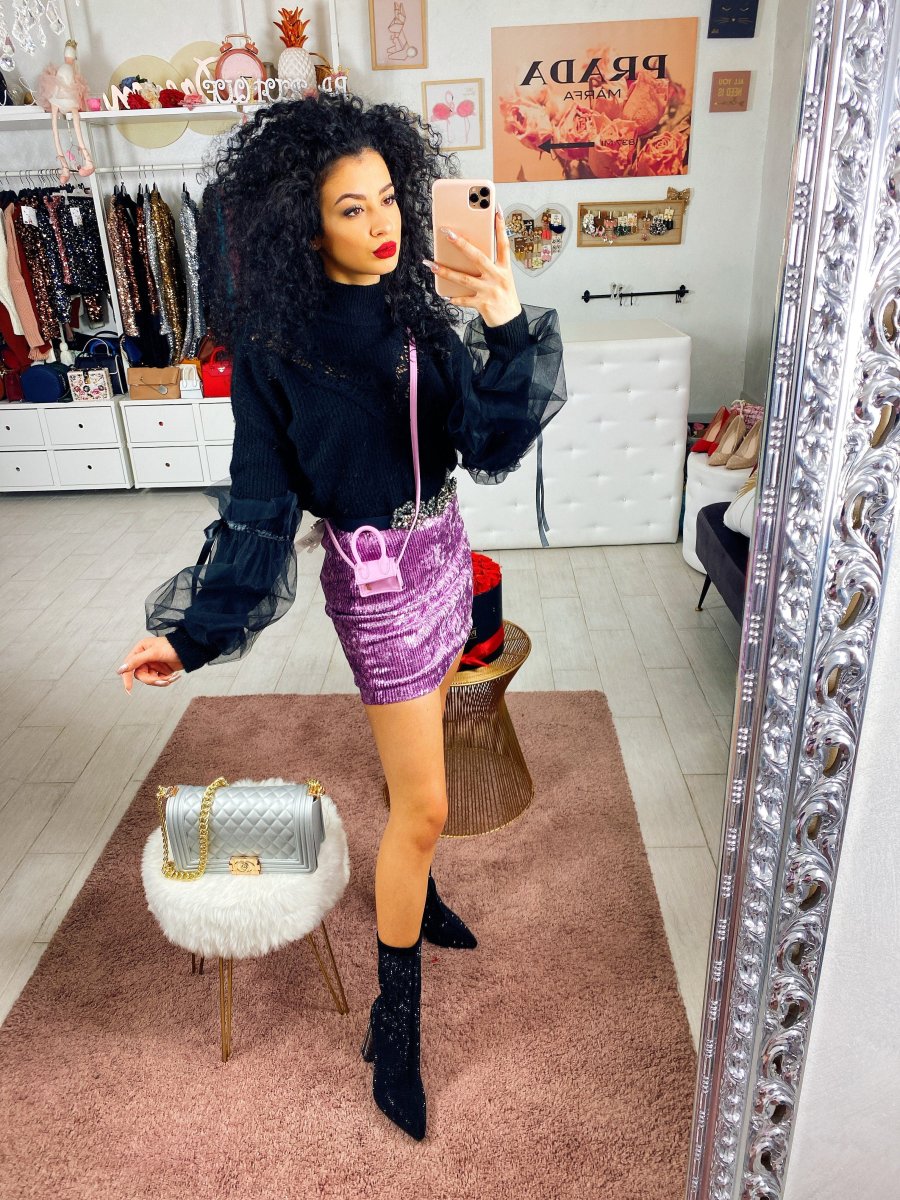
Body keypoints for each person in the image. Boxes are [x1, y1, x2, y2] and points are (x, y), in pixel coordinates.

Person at [116, 89, 566, 1141]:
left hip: (444, 551)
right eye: (351, 209)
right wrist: (192, 634)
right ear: (304, 226)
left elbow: (489, 447)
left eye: (388, 199)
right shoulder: (279, 350)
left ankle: (424, 895)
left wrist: (503, 322)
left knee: (425, 757)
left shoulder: (421, 310)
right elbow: (261, 508)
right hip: (377, 587)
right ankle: (394, 1025)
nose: (382, 224)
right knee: (426, 809)